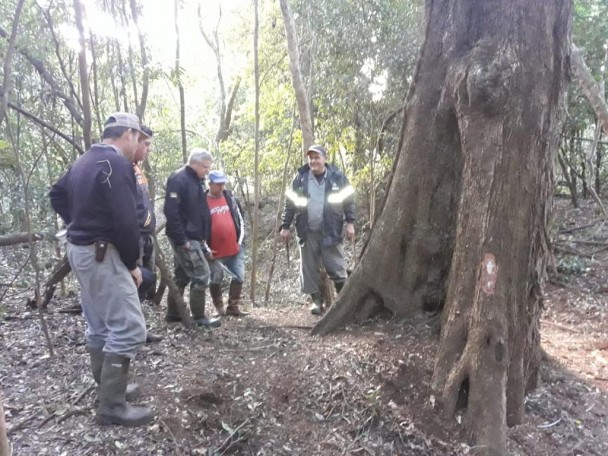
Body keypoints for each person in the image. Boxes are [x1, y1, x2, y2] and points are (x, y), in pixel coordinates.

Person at [49, 112, 154, 426]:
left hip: (80, 251)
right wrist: (132, 264)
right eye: (137, 138)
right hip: (100, 252)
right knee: (131, 328)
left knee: (99, 324)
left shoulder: (85, 159)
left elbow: (56, 194)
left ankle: (110, 390)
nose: (138, 144)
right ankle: (111, 407)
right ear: (127, 134)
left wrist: (78, 222)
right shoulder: (117, 164)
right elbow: (125, 222)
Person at [280, 144, 356, 315]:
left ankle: (343, 303)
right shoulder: (300, 178)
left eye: (317, 157)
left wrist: (350, 222)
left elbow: (349, 201)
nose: (313, 161)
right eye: (311, 158)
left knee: (337, 266)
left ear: (324, 158)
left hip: (331, 230)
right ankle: (316, 302)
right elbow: (290, 204)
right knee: (308, 268)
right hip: (307, 231)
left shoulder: (337, 177)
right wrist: (285, 226)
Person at [163, 148, 221, 328]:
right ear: (194, 163)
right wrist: (182, 240)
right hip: (185, 238)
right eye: (205, 167)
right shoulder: (178, 179)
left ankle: (174, 313)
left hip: (194, 236)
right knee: (202, 275)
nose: (207, 171)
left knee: (181, 276)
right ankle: (199, 317)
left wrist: (203, 238)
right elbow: (171, 212)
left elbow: (198, 211)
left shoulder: (197, 181)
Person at [132, 126, 163, 344]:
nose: (149, 148)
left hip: (146, 237)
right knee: (135, 282)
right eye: (146, 144)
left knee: (146, 281)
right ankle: (131, 332)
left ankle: (138, 329)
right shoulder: (120, 169)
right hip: (134, 239)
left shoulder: (137, 169)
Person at [206, 170, 249, 317]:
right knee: (215, 279)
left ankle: (233, 306)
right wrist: (206, 249)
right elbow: (199, 228)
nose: (221, 187)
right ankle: (219, 309)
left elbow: (241, 220)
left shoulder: (230, 198)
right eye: (218, 184)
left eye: (223, 184)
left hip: (235, 248)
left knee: (239, 276)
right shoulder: (202, 202)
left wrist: (240, 242)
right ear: (210, 184)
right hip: (214, 252)